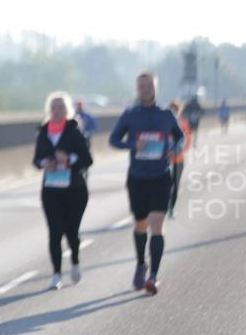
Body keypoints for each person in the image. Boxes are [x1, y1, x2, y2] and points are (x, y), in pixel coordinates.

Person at [109, 73, 184, 296]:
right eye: (142, 86)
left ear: (156, 88)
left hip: (160, 177)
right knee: (141, 225)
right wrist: (133, 144)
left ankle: (153, 276)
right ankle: (142, 263)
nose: (146, 89)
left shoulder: (166, 115)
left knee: (157, 226)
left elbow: (180, 137)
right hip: (137, 178)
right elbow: (113, 140)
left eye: (150, 85)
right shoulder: (130, 115)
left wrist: (176, 148)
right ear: (137, 89)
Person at [33, 91, 93, 289]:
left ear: (68, 111)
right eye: (53, 107)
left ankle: (75, 260)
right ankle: (56, 273)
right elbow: (36, 159)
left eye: (61, 107)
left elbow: (87, 159)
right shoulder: (43, 132)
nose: (57, 111)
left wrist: (68, 160)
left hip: (74, 190)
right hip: (51, 190)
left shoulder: (74, 131)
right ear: (49, 111)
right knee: (54, 231)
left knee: (71, 232)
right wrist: (45, 162)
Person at [168, 100, 193, 218]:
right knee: (174, 185)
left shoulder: (165, 123)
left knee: (170, 185)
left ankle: (170, 208)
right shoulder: (183, 122)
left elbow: (187, 140)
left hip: (170, 160)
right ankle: (170, 209)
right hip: (175, 160)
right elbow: (188, 142)